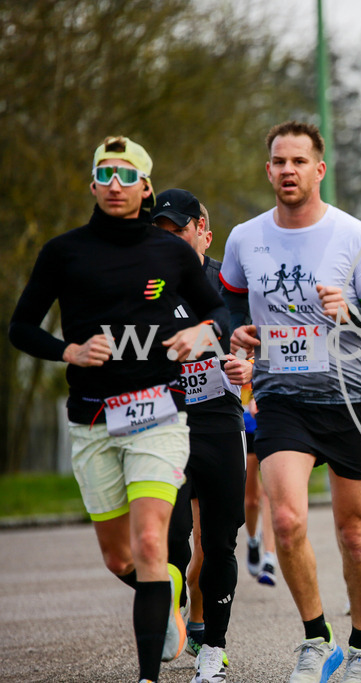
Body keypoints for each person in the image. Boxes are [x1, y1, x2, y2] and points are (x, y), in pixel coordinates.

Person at [7, 136, 230, 683]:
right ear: (91, 184)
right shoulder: (63, 252)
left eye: (127, 176)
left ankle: (147, 675)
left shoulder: (172, 253)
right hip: (93, 420)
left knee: (153, 542)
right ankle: (165, 592)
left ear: (145, 187)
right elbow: (20, 326)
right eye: (104, 174)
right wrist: (68, 350)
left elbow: (219, 310)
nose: (114, 184)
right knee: (119, 557)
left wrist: (202, 331)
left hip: (159, 414)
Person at [221, 120, 361, 683]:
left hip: (351, 398)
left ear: (319, 169)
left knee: (354, 531)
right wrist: (236, 332)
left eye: (299, 161)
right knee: (289, 519)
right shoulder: (245, 237)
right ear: (268, 169)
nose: (288, 170)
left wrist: (350, 311)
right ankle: (316, 638)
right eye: (279, 161)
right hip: (280, 398)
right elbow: (225, 303)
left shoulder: (353, 235)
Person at [155, 190, 251, 683]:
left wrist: (247, 365)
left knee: (219, 543)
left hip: (218, 424)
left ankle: (213, 647)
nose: (169, 240)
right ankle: (166, 618)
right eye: (161, 232)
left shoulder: (226, 285)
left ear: (203, 233)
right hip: (163, 423)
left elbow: (263, 343)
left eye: (179, 230)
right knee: (170, 541)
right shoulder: (142, 286)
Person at [242, 387, 278, 586]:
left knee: (270, 493)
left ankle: (269, 558)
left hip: (269, 420)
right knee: (252, 500)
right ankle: (253, 540)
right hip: (243, 423)